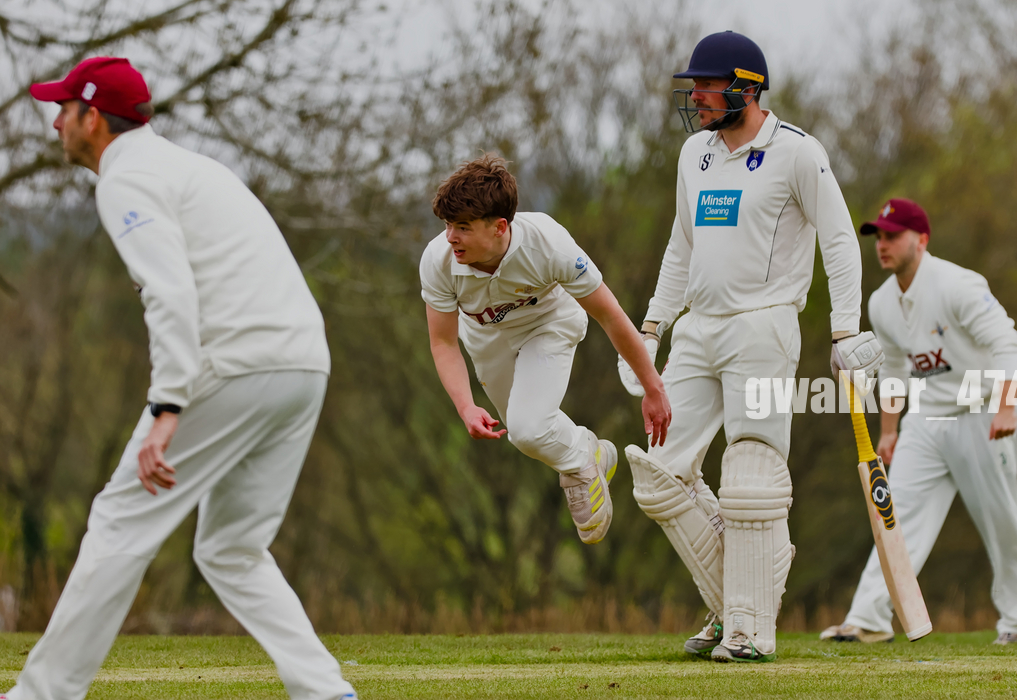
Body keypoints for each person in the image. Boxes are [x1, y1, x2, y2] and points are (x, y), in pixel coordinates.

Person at [6, 57, 357, 700]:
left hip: (235, 364)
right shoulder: (186, 166)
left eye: (64, 109)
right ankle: (326, 691)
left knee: (119, 521)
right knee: (231, 548)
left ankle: (41, 696)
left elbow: (171, 294)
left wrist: (167, 406)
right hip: (302, 364)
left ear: (93, 118)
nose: (55, 122)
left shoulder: (127, 179)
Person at [618, 31, 883, 662]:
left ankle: (748, 630)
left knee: (751, 480)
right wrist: (651, 328)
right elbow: (681, 245)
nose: (697, 97)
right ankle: (737, 597)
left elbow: (839, 240)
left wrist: (845, 329)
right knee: (658, 477)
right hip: (696, 329)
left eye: (708, 86)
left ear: (747, 87)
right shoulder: (695, 154)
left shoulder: (798, 153)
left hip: (763, 329)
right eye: (694, 87)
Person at [820, 198, 1017, 645]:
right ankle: (868, 618)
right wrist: (888, 431)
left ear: (921, 239)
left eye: (892, 236)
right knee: (892, 514)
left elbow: (1007, 342)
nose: (882, 245)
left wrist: (1007, 406)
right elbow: (894, 370)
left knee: (1002, 519)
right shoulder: (882, 302)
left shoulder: (958, 284)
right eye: (878, 237)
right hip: (924, 420)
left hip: (980, 412)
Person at [419, 154, 671, 544]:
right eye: (448, 225)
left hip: (548, 323)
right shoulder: (438, 260)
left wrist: (652, 387)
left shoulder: (549, 244)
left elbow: (610, 315)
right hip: (485, 337)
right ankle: (592, 454)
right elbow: (443, 341)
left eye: (463, 227)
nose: (451, 237)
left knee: (528, 430)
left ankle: (581, 464)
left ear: (500, 227)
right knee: (526, 433)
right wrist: (465, 406)